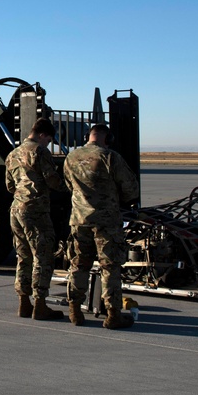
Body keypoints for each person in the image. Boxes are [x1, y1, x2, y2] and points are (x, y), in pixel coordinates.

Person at [63, 124, 140, 329]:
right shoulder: (110, 157)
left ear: (89, 136)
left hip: (79, 220)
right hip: (106, 223)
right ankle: (113, 314)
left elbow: (68, 185)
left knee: (78, 265)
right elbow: (131, 188)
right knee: (110, 267)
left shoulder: (71, 158)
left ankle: (75, 311)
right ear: (108, 138)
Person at [5, 117, 66, 320]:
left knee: (23, 256)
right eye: (48, 139)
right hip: (35, 211)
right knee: (43, 255)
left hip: (16, 210)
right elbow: (52, 180)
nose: (47, 143)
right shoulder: (39, 152)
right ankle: (40, 304)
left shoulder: (12, 154)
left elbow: (10, 186)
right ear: (42, 135)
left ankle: (24, 302)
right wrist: (69, 187)